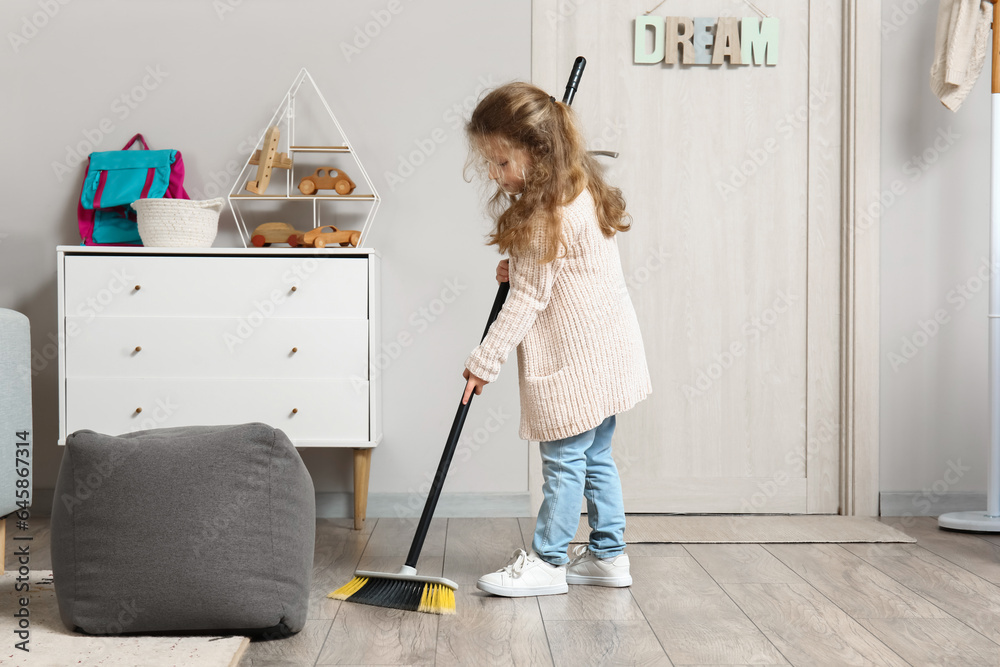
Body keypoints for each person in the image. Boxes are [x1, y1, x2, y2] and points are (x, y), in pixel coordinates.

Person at [461, 82, 652, 597]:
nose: (497, 175)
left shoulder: (543, 215)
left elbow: (528, 299)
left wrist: (484, 360)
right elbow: (564, 272)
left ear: (537, 152)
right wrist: (520, 268)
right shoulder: (580, 188)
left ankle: (548, 561)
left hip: (574, 367)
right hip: (609, 357)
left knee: (565, 463)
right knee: (596, 458)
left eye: (502, 162)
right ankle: (610, 556)